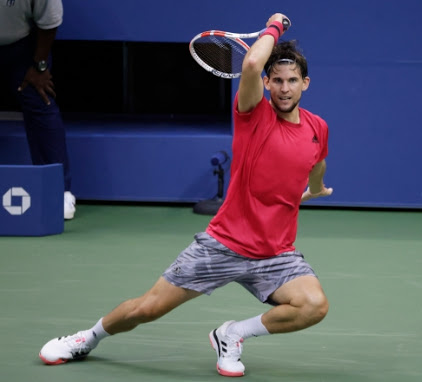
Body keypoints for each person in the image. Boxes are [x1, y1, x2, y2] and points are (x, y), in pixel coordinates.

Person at [38, 13, 333, 377]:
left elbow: (316, 160)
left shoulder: (318, 127)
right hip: (224, 244)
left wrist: (316, 188)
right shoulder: (253, 114)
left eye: (292, 81)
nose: (285, 88)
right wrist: (275, 26)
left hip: (276, 253)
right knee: (147, 309)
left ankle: (233, 334)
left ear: (305, 83)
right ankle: (87, 338)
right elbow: (253, 62)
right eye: (277, 81)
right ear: (267, 84)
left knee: (313, 305)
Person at [0, 0, 76, 219]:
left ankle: (58, 191)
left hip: (23, 46)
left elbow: (49, 21)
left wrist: (39, 65)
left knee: (40, 98)